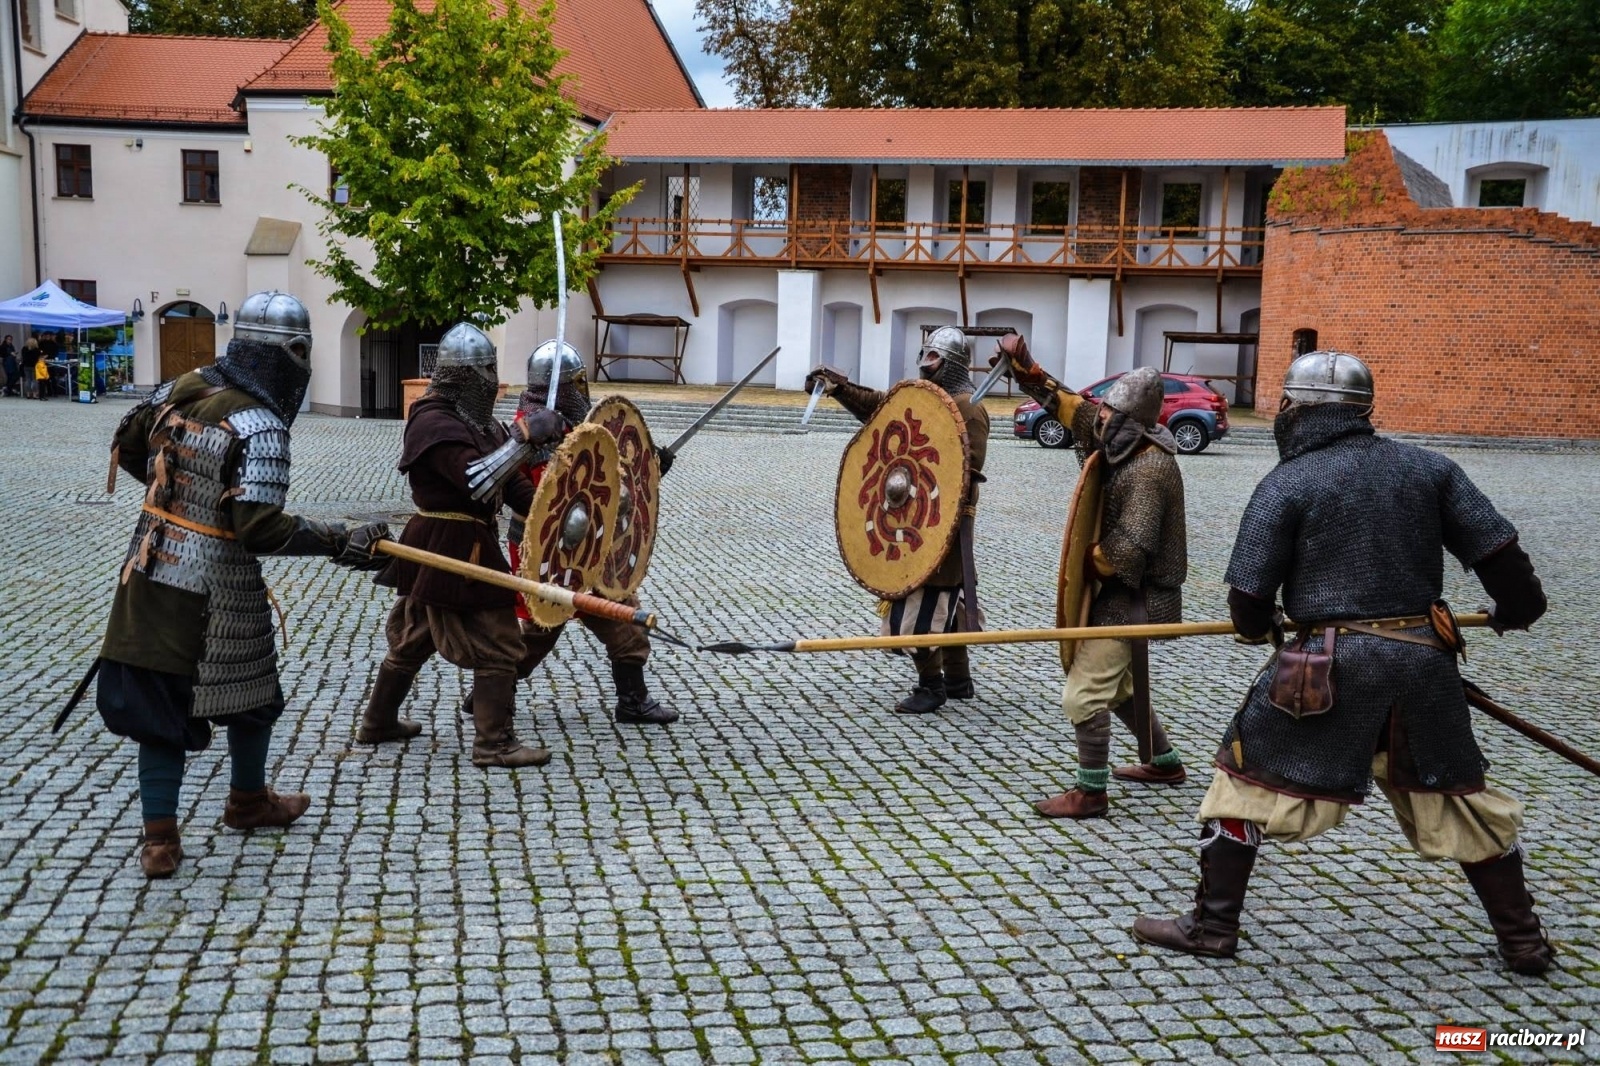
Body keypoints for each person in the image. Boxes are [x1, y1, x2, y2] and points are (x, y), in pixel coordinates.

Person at [1133, 350, 1554, 976]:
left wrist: (1258, 627)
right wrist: (1515, 610)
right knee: (1459, 797)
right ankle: (1523, 942)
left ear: (1297, 412)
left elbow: (1249, 598)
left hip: (1324, 669)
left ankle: (1213, 926)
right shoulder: (1430, 469)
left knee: (1243, 785)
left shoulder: (1290, 481)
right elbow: (1504, 560)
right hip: (1421, 664)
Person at [96, 290, 392, 879]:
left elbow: (130, 448)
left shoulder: (178, 387)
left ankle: (196, 826)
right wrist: (338, 538)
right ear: (293, 355)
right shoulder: (259, 426)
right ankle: (222, 812)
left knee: (184, 695)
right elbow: (258, 529)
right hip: (214, 587)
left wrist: (175, 499)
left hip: (147, 570)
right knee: (228, 694)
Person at [995, 339, 1189, 818]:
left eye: (1110, 414)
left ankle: (1091, 792)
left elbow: (1128, 550)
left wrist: (1086, 562)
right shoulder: (1119, 439)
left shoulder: (1149, 468)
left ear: (1132, 421)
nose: (1100, 419)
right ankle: (1165, 763)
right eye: (1103, 411)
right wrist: (1027, 367)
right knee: (1119, 689)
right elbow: (1070, 409)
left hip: (1133, 596)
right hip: (1118, 594)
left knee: (1083, 695)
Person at [359, 322, 566, 767]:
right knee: (499, 641)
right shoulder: (432, 420)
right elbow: (475, 480)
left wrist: (549, 515)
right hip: (451, 544)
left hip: (452, 542)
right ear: (470, 375)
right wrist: (524, 437)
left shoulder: (480, 423)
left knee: (413, 637)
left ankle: (378, 723)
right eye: (487, 371)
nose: (494, 379)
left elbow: (507, 482)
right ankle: (494, 744)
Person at [462, 340, 679, 726]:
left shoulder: (578, 428)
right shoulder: (531, 432)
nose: (583, 389)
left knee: (608, 616)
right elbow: (546, 497)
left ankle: (631, 699)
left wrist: (648, 468)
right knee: (552, 624)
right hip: (549, 549)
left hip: (593, 546)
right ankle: (490, 692)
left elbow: (605, 481)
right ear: (563, 386)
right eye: (577, 382)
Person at [804, 326, 988, 715]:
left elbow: (963, 472)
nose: (926, 363)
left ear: (952, 363)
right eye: (925, 355)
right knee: (947, 603)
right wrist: (841, 388)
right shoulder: (930, 402)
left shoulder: (968, 408)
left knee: (923, 598)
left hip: (938, 522)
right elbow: (882, 409)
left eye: (934, 357)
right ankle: (958, 680)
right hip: (923, 518)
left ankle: (932, 686)